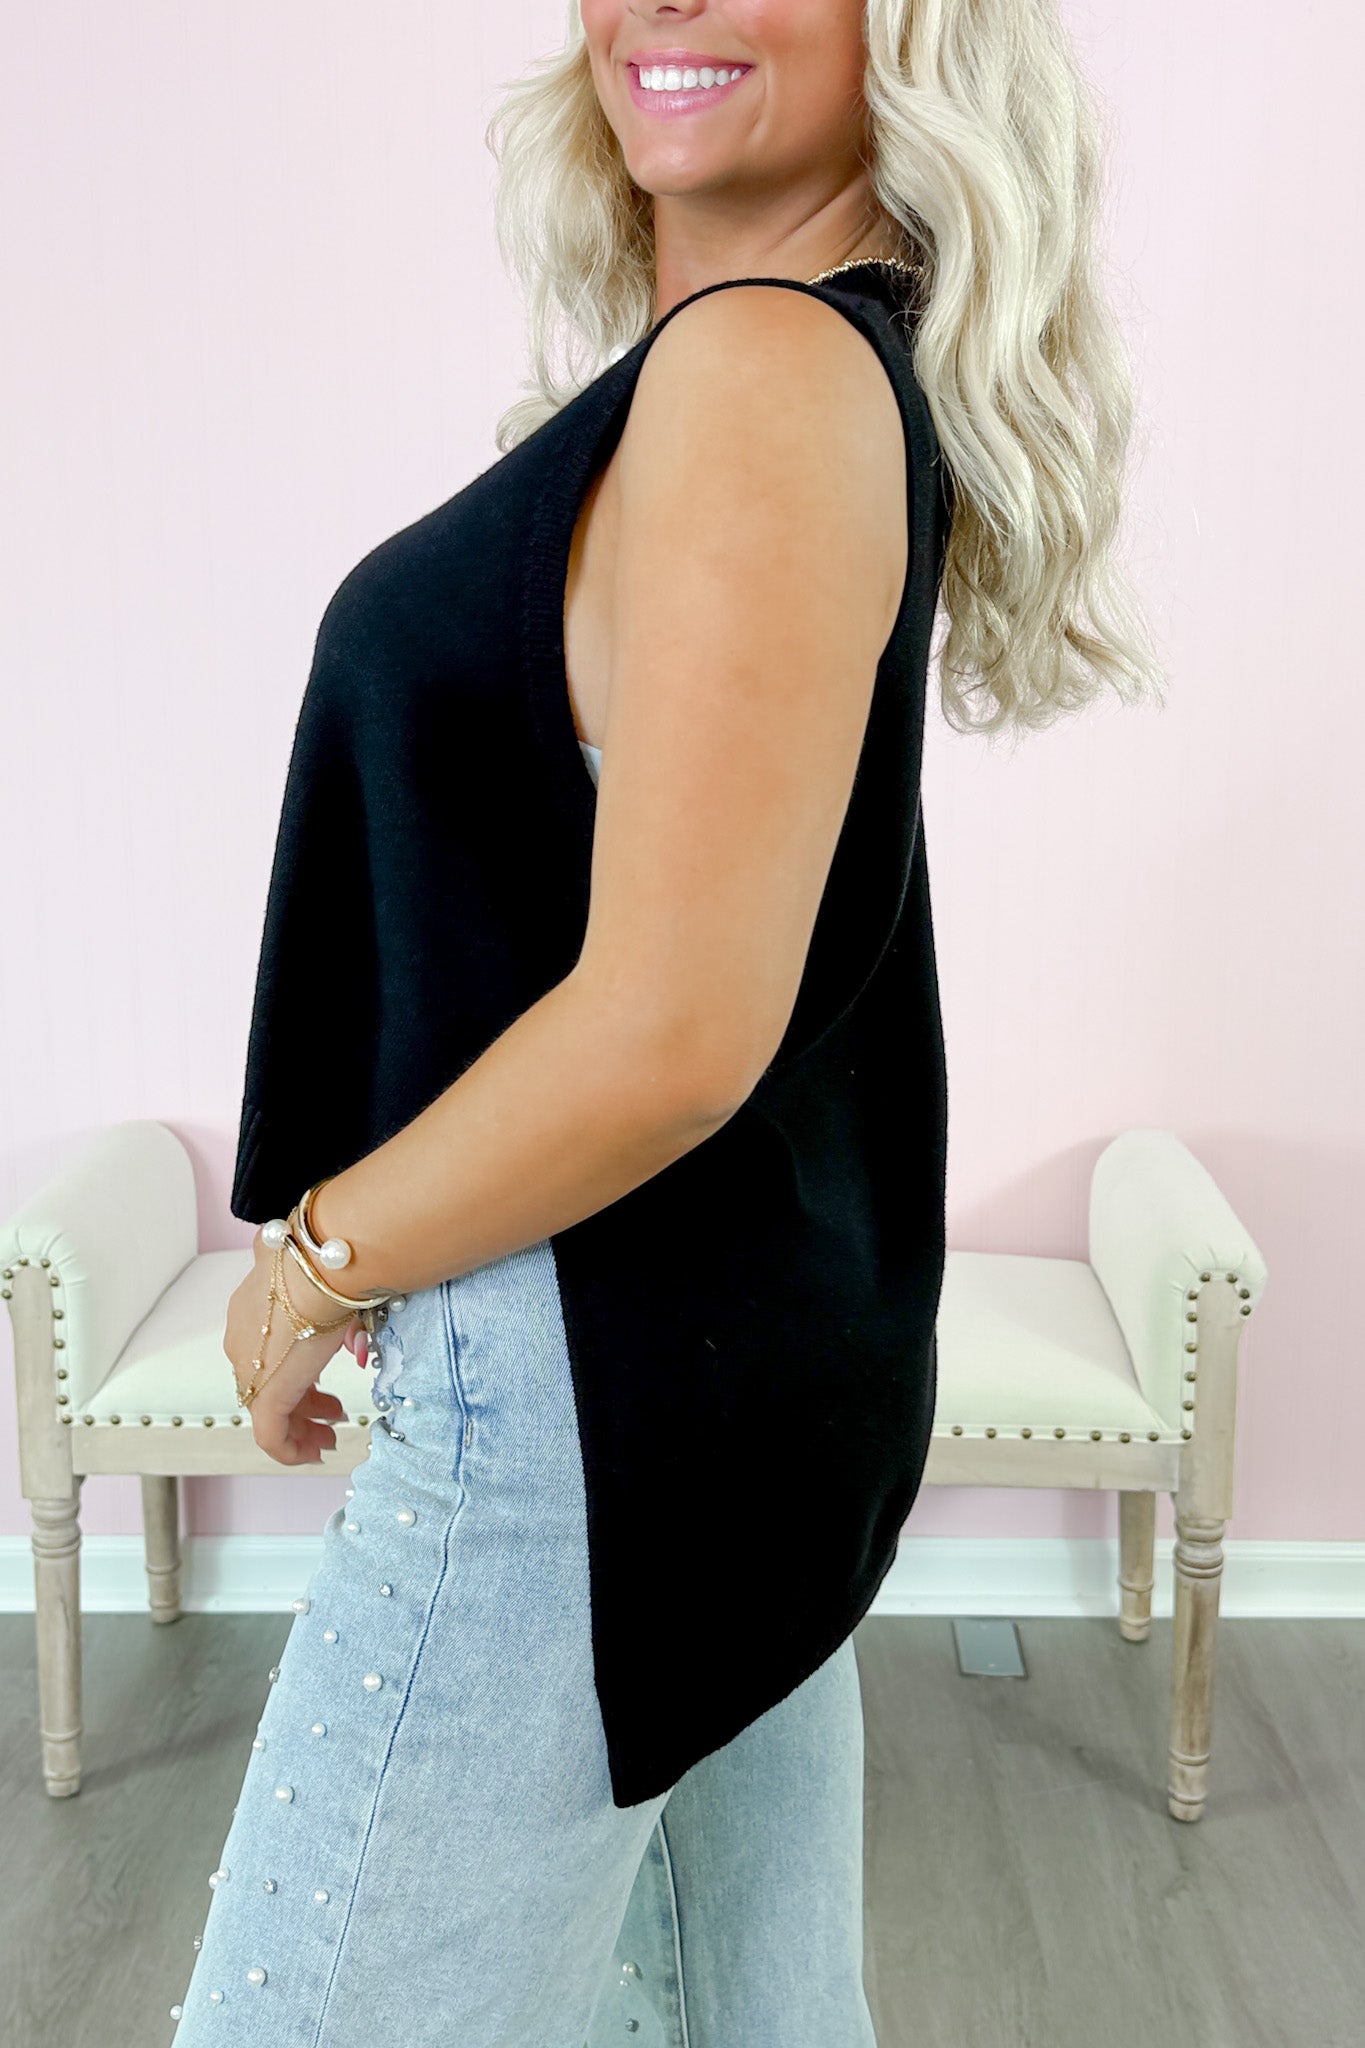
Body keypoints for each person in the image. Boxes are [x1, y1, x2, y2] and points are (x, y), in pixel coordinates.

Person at [171, 2, 1161, 2041]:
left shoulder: (762, 372)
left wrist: (316, 1260)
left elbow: (669, 1029)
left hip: (576, 1397)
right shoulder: (792, 370)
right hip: (727, 1380)